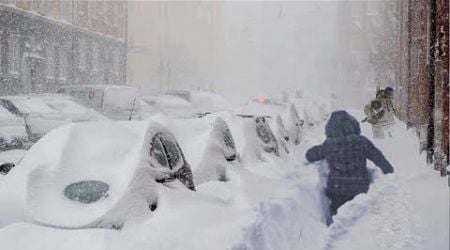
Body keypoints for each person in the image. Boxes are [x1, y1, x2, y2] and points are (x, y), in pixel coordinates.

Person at [305, 110, 394, 225]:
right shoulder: (362, 142)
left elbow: (310, 155)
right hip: (360, 188)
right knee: (360, 222)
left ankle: (334, 232)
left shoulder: (329, 145)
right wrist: (389, 171)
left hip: (337, 191)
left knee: (338, 220)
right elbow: (379, 158)